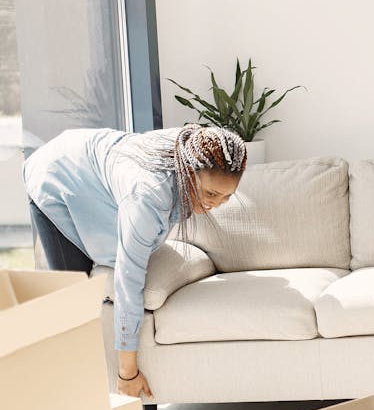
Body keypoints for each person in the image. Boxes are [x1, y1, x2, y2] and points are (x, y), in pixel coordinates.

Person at [23, 124, 247, 396]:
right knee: (78, 305)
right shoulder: (148, 196)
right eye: (211, 194)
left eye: (226, 197)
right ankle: (61, 392)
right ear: (188, 171)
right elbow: (128, 283)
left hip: (95, 165)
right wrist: (127, 374)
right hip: (56, 173)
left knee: (116, 252)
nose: (215, 204)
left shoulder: (196, 148)